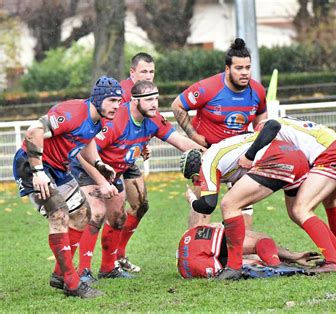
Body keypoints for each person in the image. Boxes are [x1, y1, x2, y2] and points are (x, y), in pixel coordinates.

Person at [72, 80, 205, 280]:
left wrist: (212, 154)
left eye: (156, 99)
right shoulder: (115, 122)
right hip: (89, 167)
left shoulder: (153, 119)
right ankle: (82, 272)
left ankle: (108, 269)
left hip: (115, 170)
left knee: (117, 217)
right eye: (149, 99)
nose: (154, 104)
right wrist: (101, 181)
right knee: (97, 214)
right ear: (134, 101)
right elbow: (83, 154)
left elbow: (180, 141)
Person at [12, 76, 123, 298]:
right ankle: (72, 283)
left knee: (83, 214)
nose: (117, 106)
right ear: (99, 98)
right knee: (60, 213)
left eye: (119, 102)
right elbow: (34, 132)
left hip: (58, 168)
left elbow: (87, 141)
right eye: (112, 100)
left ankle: (59, 274)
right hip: (33, 165)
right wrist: (38, 172)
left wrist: (99, 164)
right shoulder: (73, 112)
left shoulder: (98, 120)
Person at [238, 117, 336, 272]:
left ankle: (334, 263)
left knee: (301, 210)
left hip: (332, 155)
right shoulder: (286, 122)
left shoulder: (263, 129)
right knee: (327, 202)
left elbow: (283, 153)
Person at [172, 38, 268, 229]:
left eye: (247, 68)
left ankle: (242, 251)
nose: (244, 73)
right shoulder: (208, 88)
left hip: (238, 154)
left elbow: (262, 119)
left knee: (243, 205)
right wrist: (193, 136)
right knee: (204, 205)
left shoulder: (257, 90)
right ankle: (194, 248)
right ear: (227, 69)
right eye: (239, 68)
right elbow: (177, 106)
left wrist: (256, 145)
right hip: (209, 153)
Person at [114, 52, 157, 273]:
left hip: (128, 158)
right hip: (106, 159)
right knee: (112, 214)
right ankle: (105, 262)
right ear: (132, 72)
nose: (148, 76)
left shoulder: (148, 92)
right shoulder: (120, 93)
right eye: (143, 72)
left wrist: (143, 144)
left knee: (141, 205)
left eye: (151, 71)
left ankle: (119, 255)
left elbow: (140, 125)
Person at [177, 224, 320, 279]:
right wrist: (290, 256)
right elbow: (261, 243)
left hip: (186, 269)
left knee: (254, 263)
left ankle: (280, 263)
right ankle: (278, 265)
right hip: (198, 244)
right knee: (261, 239)